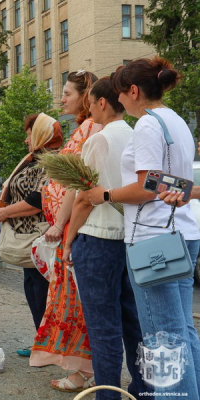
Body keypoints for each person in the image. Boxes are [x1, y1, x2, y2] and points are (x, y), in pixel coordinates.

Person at [87, 58, 200, 399]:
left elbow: (145, 188)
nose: (119, 101)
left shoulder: (149, 126)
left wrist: (104, 194)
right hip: (180, 234)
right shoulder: (175, 120)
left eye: (121, 93)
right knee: (182, 332)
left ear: (133, 91)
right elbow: (169, 183)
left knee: (162, 340)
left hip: (153, 241)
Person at [61, 77, 150, 398]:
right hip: (131, 238)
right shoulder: (136, 135)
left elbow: (85, 198)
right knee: (134, 323)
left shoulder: (99, 140)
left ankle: (109, 394)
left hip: (97, 239)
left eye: (90, 101)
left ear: (101, 103)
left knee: (103, 326)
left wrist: (69, 239)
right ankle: (144, 389)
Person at [31, 71, 98, 391]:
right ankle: (83, 368)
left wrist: (60, 224)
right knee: (72, 301)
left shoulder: (90, 129)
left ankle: (88, 371)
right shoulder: (82, 128)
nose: (62, 98)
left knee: (79, 303)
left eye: (67, 93)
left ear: (85, 96)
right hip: (71, 225)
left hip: (78, 227)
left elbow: (79, 184)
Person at [0, 113, 63, 357]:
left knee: (41, 291)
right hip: (28, 234)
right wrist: (1, 202)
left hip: (40, 234)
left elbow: (39, 200)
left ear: (42, 133)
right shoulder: (34, 159)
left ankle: (47, 345)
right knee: (33, 289)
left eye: (29, 133)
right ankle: (41, 341)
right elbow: (18, 189)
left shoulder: (51, 160)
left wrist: (6, 212)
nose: (26, 140)